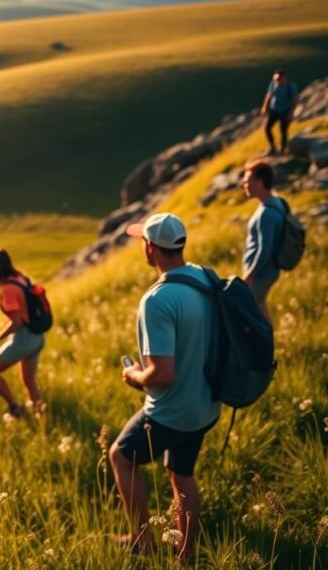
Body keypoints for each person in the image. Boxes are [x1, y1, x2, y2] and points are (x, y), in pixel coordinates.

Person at [110, 213, 220, 563]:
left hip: (173, 410)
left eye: (143, 241)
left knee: (120, 457)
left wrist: (134, 376)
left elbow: (163, 373)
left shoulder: (158, 300)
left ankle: (142, 541)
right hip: (206, 404)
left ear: (151, 248)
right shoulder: (204, 279)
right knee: (181, 471)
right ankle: (185, 554)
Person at [0, 248, 45, 425]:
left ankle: (15, 408)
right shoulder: (21, 278)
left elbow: (16, 322)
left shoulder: (8, 289)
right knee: (29, 381)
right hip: (37, 337)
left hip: (24, 339)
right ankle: (40, 418)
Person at [242, 160, 286, 323]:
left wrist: (250, 275)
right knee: (260, 309)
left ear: (259, 183)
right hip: (268, 271)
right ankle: (270, 346)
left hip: (261, 274)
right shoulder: (277, 203)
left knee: (245, 312)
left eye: (247, 181)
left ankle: (259, 347)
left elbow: (264, 250)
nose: (244, 185)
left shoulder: (266, 213)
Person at [260, 69, 299, 155]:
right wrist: (264, 108)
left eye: (280, 79)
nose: (278, 81)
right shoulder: (272, 85)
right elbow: (268, 96)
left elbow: (294, 100)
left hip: (285, 111)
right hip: (274, 110)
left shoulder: (291, 87)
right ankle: (272, 147)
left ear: (285, 78)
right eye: (276, 79)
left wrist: (291, 113)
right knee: (267, 128)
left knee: (283, 131)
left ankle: (283, 150)